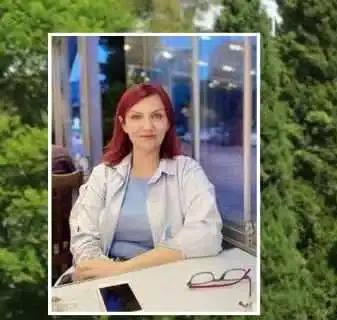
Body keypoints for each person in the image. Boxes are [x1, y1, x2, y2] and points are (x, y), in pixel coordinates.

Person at [67, 82, 222, 282]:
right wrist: (101, 270)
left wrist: (123, 269)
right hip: (105, 276)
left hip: (163, 277)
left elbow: (207, 233)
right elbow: (83, 236)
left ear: (168, 122)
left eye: (156, 116)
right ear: (123, 124)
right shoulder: (103, 175)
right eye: (136, 117)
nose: (147, 126)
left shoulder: (187, 171)